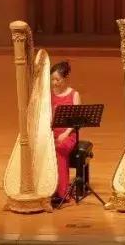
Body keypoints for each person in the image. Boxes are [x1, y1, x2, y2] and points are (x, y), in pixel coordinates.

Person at [49, 61, 81, 205]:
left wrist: (65, 133)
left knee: (60, 149)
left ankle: (62, 193)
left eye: (57, 79)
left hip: (69, 134)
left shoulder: (74, 94)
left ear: (65, 78)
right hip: (52, 133)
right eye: (52, 79)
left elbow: (76, 121)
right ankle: (47, 188)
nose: (54, 83)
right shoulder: (48, 95)